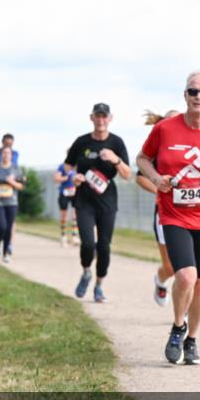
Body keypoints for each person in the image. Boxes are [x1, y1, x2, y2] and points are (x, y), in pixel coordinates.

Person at [139, 75, 200, 366]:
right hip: (173, 214)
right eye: (193, 91)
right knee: (185, 275)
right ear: (185, 95)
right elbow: (142, 159)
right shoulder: (164, 129)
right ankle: (178, 327)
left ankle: (192, 341)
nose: (199, 96)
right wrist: (155, 178)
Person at [64, 103, 132, 303]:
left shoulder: (117, 143)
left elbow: (128, 174)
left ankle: (99, 286)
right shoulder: (82, 142)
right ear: (91, 118)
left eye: (104, 116)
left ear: (110, 118)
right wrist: (73, 176)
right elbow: (68, 165)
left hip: (107, 201)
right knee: (87, 244)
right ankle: (86, 272)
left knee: (104, 247)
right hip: (84, 199)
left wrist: (115, 160)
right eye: (97, 116)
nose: (101, 120)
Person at [140, 109, 182, 305]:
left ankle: (183, 312)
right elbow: (140, 177)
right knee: (171, 267)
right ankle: (161, 279)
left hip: (192, 212)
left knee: (189, 268)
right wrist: (159, 187)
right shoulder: (159, 150)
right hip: (165, 213)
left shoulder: (189, 148)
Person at [0, 146, 22, 262]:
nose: (6, 155)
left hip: (11, 201)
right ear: (1, 155)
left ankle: (6, 253)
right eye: (4, 153)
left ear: (11, 155)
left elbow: (21, 186)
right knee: (1, 226)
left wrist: (12, 182)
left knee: (9, 228)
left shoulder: (16, 168)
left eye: (8, 153)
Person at [54, 162, 78, 247]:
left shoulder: (77, 166)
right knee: (64, 215)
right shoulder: (62, 166)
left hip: (74, 192)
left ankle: (74, 236)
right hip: (64, 192)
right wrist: (66, 177)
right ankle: (63, 236)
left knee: (75, 215)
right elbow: (56, 178)